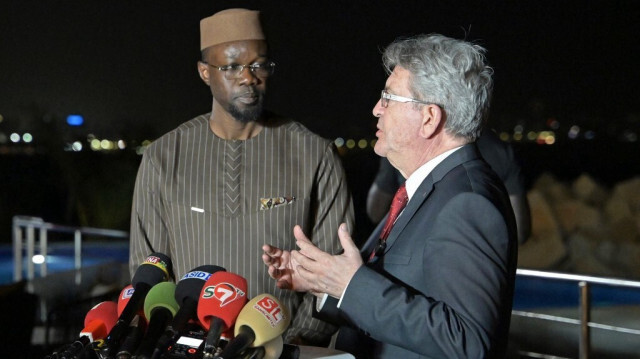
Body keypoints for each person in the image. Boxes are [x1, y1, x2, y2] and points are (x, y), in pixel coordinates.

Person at [263, 34, 518, 358]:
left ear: (429, 118)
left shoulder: (466, 202)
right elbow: (393, 301)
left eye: (388, 97)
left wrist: (350, 285)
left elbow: (467, 342)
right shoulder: (425, 190)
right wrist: (324, 281)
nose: (376, 109)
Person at [128, 8, 354, 345]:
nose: (248, 77)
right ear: (204, 72)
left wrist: (286, 346)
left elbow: (334, 276)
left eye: (259, 64)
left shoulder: (314, 155)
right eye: (231, 66)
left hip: (284, 349)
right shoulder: (164, 156)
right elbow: (149, 271)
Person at [367, 128, 532, 244]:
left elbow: (375, 211)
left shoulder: (405, 147)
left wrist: (389, 162)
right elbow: (519, 231)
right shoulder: (501, 150)